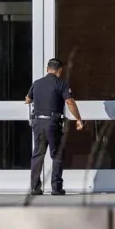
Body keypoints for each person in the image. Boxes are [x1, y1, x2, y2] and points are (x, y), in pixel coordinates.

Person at [25, 58, 83, 195]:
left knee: (38, 154)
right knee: (57, 155)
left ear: (47, 69)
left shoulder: (37, 83)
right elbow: (69, 102)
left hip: (38, 123)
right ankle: (56, 188)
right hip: (53, 123)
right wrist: (78, 119)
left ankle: (35, 187)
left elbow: (28, 100)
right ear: (60, 71)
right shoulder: (61, 83)